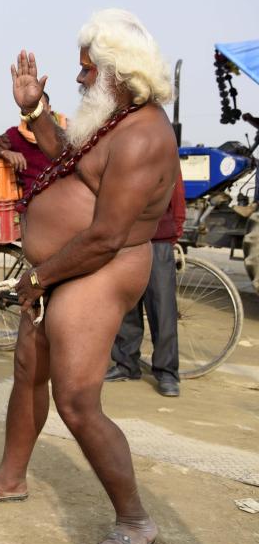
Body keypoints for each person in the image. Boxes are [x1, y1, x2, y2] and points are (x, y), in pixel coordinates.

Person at [0, 9, 179, 544]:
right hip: (61, 271)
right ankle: (10, 477)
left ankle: (134, 521)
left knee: (78, 401)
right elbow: (64, 158)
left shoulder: (146, 135)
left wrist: (39, 277)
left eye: (85, 70)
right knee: (29, 372)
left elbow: (104, 237)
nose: (77, 79)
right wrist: (32, 109)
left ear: (118, 73)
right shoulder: (113, 123)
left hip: (98, 270)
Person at [106, 169, 186, 396]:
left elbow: (177, 196)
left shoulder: (162, 150)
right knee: (127, 307)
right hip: (125, 239)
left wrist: (173, 233)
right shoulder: (123, 154)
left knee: (162, 310)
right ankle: (126, 365)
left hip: (158, 239)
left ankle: (167, 373)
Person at [0, 92, 68, 190]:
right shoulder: (14, 135)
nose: (34, 112)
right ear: (23, 111)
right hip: (33, 196)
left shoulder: (70, 130)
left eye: (39, 107)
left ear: (48, 108)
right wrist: (4, 153)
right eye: (29, 108)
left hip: (67, 192)